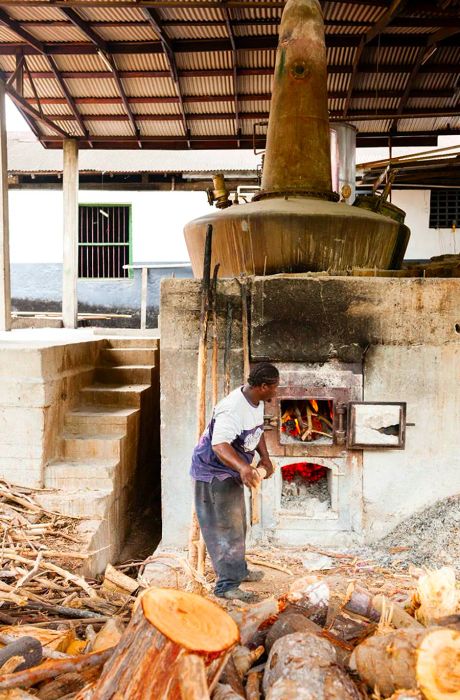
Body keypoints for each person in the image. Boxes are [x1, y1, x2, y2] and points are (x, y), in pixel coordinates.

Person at [190, 362, 280, 601]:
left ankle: (238, 570)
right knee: (225, 529)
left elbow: (256, 432)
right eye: (274, 387)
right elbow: (219, 446)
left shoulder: (257, 401)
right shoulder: (232, 409)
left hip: (231, 471)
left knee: (238, 526)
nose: (276, 392)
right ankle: (226, 587)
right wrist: (243, 467)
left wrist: (266, 458)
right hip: (214, 473)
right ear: (262, 386)